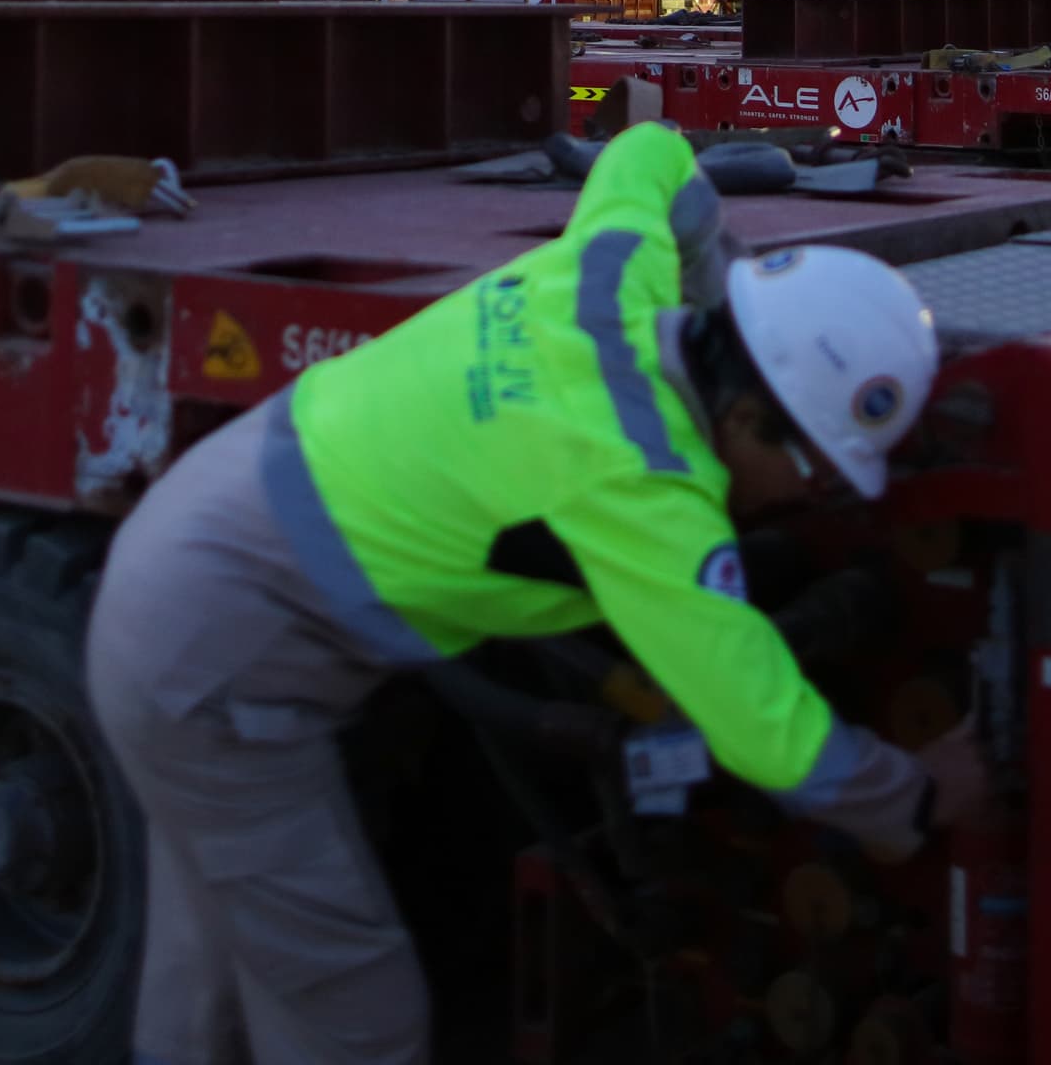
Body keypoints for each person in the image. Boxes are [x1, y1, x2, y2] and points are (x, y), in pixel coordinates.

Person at [85, 120, 978, 1065]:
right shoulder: (643, 494)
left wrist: (722, 280)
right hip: (211, 663)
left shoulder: (610, 279)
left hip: (188, 547)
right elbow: (768, 732)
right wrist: (917, 797)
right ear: (750, 417)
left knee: (208, 968)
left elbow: (648, 153)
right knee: (356, 1017)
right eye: (814, 471)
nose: (807, 497)